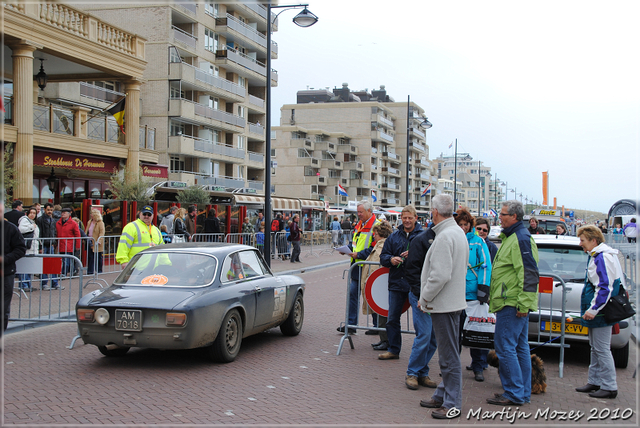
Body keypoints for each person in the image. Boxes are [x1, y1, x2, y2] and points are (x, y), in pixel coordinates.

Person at [417, 194, 468, 419]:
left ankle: (451, 403)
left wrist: (424, 298)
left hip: (444, 304)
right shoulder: (457, 232)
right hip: (452, 302)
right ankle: (443, 394)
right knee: (449, 353)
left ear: (435, 212)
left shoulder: (445, 236)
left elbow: (439, 276)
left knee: (448, 357)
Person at [487, 200, 539, 407]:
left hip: (512, 303)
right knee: (519, 347)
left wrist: (523, 304)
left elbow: (528, 273)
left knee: (505, 347)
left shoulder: (520, 239)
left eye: (503, 214)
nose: (500, 217)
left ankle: (515, 392)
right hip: (513, 302)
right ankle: (521, 391)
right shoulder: (514, 237)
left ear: (514, 217)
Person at [574, 225, 624, 399]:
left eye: (583, 240)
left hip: (601, 311)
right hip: (598, 310)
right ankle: (595, 381)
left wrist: (593, 309)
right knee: (596, 347)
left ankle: (609, 386)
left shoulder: (602, 257)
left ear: (593, 241)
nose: (581, 244)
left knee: (601, 348)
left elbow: (605, 287)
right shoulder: (598, 256)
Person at [378, 205, 423, 360]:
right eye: (404, 218)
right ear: (401, 218)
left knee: (420, 322)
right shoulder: (394, 236)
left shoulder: (423, 236)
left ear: (416, 218)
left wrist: (415, 253)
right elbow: (383, 256)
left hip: (416, 284)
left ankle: (420, 354)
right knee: (392, 318)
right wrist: (391, 259)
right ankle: (394, 349)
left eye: (410, 218)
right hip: (397, 282)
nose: (407, 221)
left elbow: (431, 257)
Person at [455, 208, 492, 382]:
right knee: (455, 335)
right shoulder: (453, 240)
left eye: (465, 224)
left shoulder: (478, 242)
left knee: (476, 333)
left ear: (470, 225)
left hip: (473, 295)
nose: (463, 227)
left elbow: (486, 266)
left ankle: (478, 366)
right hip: (455, 294)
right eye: (460, 224)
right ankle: (452, 367)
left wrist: (482, 291)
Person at [403, 213, 438, 390]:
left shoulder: (446, 238)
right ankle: (413, 372)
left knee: (433, 338)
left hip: (438, 297)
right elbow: (412, 270)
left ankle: (422, 371)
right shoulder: (421, 240)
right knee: (424, 335)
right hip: (421, 296)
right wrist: (420, 295)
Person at [338, 201, 380, 334]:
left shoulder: (376, 225)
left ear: (369, 211)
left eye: (361, 212)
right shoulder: (359, 225)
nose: (359, 214)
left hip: (369, 266)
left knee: (371, 295)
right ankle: (351, 325)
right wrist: (347, 249)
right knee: (353, 294)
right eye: (358, 212)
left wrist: (358, 254)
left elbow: (376, 248)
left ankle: (377, 325)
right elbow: (355, 243)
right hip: (357, 266)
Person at [361, 221, 393, 350]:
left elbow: (375, 268)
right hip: (378, 286)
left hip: (378, 287)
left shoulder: (381, 247)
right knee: (381, 315)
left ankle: (386, 340)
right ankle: (383, 339)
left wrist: (369, 284)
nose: (373, 235)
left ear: (380, 234)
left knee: (382, 315)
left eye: (375, 233)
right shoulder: (380, 245)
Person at [1, 201, 27, 336]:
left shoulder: (10, 228)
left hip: (5, 274)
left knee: (3, 307)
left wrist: (4, 259)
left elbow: (21, 248)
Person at [36, 202, 59, 289]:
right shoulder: (40, 220)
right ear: (44, 209)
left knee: (52, 264)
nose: (50, 211)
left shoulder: (52, 219)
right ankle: (44, 283)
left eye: (51, 210)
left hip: (51, 244)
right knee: (44, 264)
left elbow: (54, 232)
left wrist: (54, 243)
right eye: (48, 210)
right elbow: (39, 233)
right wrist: (40, 246)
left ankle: (54, 283)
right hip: (44, 244)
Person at [18, 207, 40, 291]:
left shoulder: (33, 222)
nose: (32, 214)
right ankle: (24, 285)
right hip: (27, 247)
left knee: (30, 267)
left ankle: (28, 284)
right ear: (27, 213)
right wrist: (32, 227)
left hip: (33, 247)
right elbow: (21, 229)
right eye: (31, 212)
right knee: (25, 267)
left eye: (34, 213)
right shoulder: (24, 220)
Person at [56, 208, 80, 280]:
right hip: (61, 244)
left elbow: (77, 235)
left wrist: (77, 246)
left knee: (66, 260)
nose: (62, 214)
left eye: (64, 212)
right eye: (62, 212)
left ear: (69, 214)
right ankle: (72, 271)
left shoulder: (73, 223)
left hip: (68, 245)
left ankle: (64, 273)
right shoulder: (58, 223)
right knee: (65, 260)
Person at [86, 209, 105, 275]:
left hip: (97, 241)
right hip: (90, 240)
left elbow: (102, 233)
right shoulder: (89, 222)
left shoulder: (100, 223)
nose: (91, 215)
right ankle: (90, 271)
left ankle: (99, 271)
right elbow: (87, 231)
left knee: (98, 257)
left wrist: (99, 241)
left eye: (92, 214)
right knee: (90, 256)